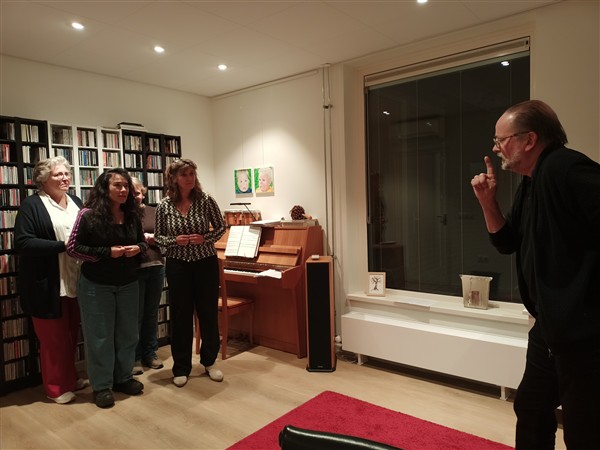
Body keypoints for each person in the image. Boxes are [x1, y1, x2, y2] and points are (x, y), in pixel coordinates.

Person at [471, 100, 600, 449]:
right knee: (530, 408)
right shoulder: (531, 181)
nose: (496, 148)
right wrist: (487, 201)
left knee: (584, 431)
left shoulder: (564, 167)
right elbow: (507, 242)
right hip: (549, 328)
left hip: (584, 334)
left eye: (501, 139)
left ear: (529, 140)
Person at [67, 168, 148, 408]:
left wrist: (138, 248)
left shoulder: (132, 215)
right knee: (99, 337)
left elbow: (143, 243)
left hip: (128, 283)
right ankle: (101, 386)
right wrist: (106, 252)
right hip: (96, 284)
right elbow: (73, 248)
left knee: (128, 334)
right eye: (117, 185)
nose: (123, 190)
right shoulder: (88, 215)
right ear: (105, 188)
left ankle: (123, 378)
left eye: (126, 186)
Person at [14, 156, 86, 404]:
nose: (65, 178)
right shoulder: (32, 205)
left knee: (71, 335)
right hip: (47, 285)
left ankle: (70, 377)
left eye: (67, 173)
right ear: (43, 179)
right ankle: (55, 387)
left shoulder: (76, 201)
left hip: (76, 279)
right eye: (58, 174)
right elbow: (23, 242)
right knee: (53, 339)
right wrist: (62, 245)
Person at [154, 158, 226, 388]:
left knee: (208, 313)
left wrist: (205, 238)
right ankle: (181, 367)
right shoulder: (164, 205)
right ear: (174, 178)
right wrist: (174, 241)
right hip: (178, 265)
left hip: (205, 262)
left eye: (192, 174)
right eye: (184, 174)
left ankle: (209, 361)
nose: (189, 178)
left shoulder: (206, 200)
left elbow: (221, 227)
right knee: (180, 316)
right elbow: (159, 237)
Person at [130, 177, 165, 374]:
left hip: (156, 266)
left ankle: (150, 353)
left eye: (137, 193)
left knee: (151, 313)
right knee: (135, 315)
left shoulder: (155, 211)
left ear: (143, 193)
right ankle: (134, 357)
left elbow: (167, 238)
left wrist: (154, 239)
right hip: (134, 269)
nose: (135, 196)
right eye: (131, 193)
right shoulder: (123, 213)